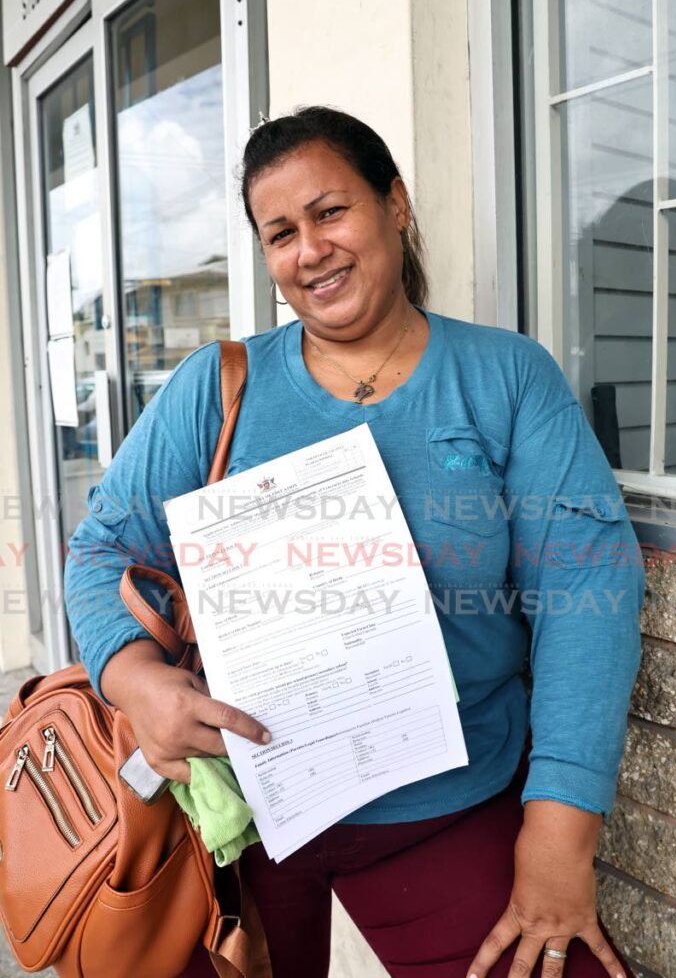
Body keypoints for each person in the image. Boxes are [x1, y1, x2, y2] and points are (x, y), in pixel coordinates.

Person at [64, 106, 644, 978]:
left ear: (395, 206)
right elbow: (101, 550)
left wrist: (561, 825)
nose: (310, 251)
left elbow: (584, 596)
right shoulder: (216, 387)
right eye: (280, 232)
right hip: (242, 816)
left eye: (330, 212)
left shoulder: (503, 377)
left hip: (446, 806)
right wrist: (137, 682)